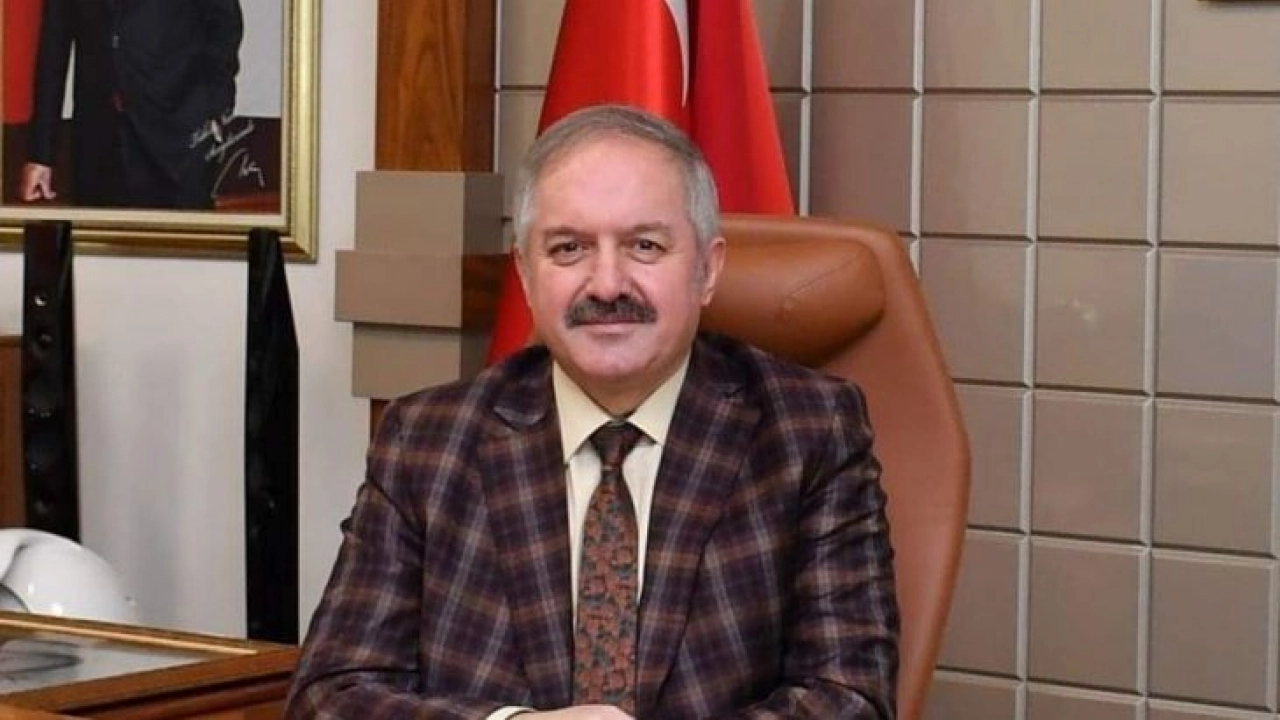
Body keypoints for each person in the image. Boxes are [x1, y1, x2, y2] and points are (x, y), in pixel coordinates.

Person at [287, 104, 899, 719]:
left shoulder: (806, 433)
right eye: (569, 248)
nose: (607, 284)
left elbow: (851, 700)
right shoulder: (427, 441)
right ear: (526, 274)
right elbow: (329, 698)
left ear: (708, 269)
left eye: (645, 246)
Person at [20, 0, 243, 209]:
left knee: (183, 237)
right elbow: (54, 44)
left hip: (179, 141)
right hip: (99, 144)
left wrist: (215, 109)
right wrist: (40, 155)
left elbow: (225, 24)